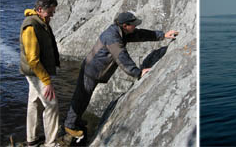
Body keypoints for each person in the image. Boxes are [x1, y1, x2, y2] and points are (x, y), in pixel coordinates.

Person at [64, 11, 179, 139]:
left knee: (85, 96)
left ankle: (76, 120)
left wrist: (163, 35)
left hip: (94, 70)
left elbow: (141, 34)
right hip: (91, 70)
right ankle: (70, 125)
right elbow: (122, 58)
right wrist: (138, 72)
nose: (135, 27)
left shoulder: (122, 32)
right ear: (125, 25)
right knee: (81, 97)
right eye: (133, 25)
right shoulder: (113, 37)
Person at [20, 0, 61, 147]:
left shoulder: (41, 22)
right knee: (52, 105)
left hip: (35, 71)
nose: (52, 14)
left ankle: (31, 139)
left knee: (34, 102)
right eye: (50, 12)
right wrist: (47, 81)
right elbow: (33, 59)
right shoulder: (31, 26)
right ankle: (50, 143)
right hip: (36, 72)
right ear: (39, 10)